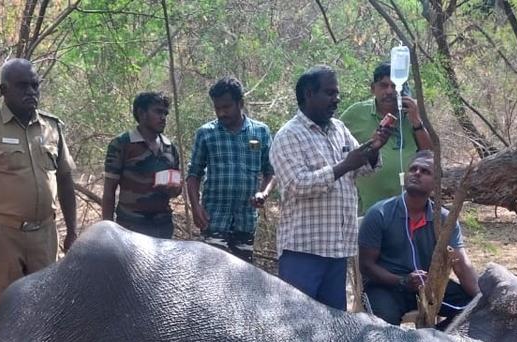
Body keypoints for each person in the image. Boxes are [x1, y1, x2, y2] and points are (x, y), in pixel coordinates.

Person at [0, 58, 78, 303]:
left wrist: (72, 231)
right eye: (23, 86)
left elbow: (65, 180)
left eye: (35, 85)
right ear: (4, 90)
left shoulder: (51, 127)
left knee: (45, 307)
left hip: (45, 234)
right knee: (7, 309)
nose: (31, 92)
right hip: (3, 236)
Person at [270, 65, 392, 310]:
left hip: (337, 248)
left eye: (337, 93)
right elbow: (296, 185)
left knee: (333, 328)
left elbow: (361, 169)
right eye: (329, 93)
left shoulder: (339, 129)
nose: (336, 99)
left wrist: (375, 147)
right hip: (303, 251)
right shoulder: (288, 135)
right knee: (297, 324)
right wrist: (343, 166)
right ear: (308, 94)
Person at [358, 151, 478, 327]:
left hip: (429, 287)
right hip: (386, 287)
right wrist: (403, 281)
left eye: (425, 171)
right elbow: (366, 266)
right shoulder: (380, 213)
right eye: (413, 169)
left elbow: (460, 264)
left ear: (436, 184)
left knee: (474, 312)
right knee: (384, 327)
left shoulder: (444, 219)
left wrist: (481, 298)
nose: (417, 173)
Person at [186, 77, 275, 262]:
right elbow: (193, 174)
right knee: (211, 276)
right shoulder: (206, 133)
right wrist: (195, 207)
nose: (221, 113)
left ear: (240, 103)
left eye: (226, 107)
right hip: (214, 219)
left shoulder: (260, 132)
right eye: (217, 108)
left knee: (242, 278)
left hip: (245, 221)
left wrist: (263, 193)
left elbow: (271, 172)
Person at [339, 61, 433, 214]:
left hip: (408, 208)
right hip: (366, 208)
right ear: (373, 88)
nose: (389, 91)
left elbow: (429, 154)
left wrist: (416, 120)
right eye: (383, 85)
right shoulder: (356, 114)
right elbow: (335, 144)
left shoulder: (411, 114)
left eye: (394, 86)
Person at [102, 92, 183, 239]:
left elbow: (176, 189)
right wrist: (107, 231)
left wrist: (175, 189)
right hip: (130, 227)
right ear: (141, 113)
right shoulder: (121, 144)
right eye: (158, 112)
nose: (163, 117)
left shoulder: (170, 148)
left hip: (163, 227)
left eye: (165, 113)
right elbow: (109, 192)